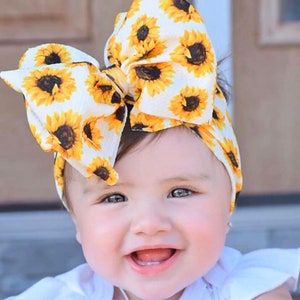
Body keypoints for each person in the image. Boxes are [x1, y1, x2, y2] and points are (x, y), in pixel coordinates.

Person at [1, 0, 299, 299]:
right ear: (77, 220)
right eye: (114, 197)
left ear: (229, 203)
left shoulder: (252, 292)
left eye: (180, 191)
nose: (149, 223)